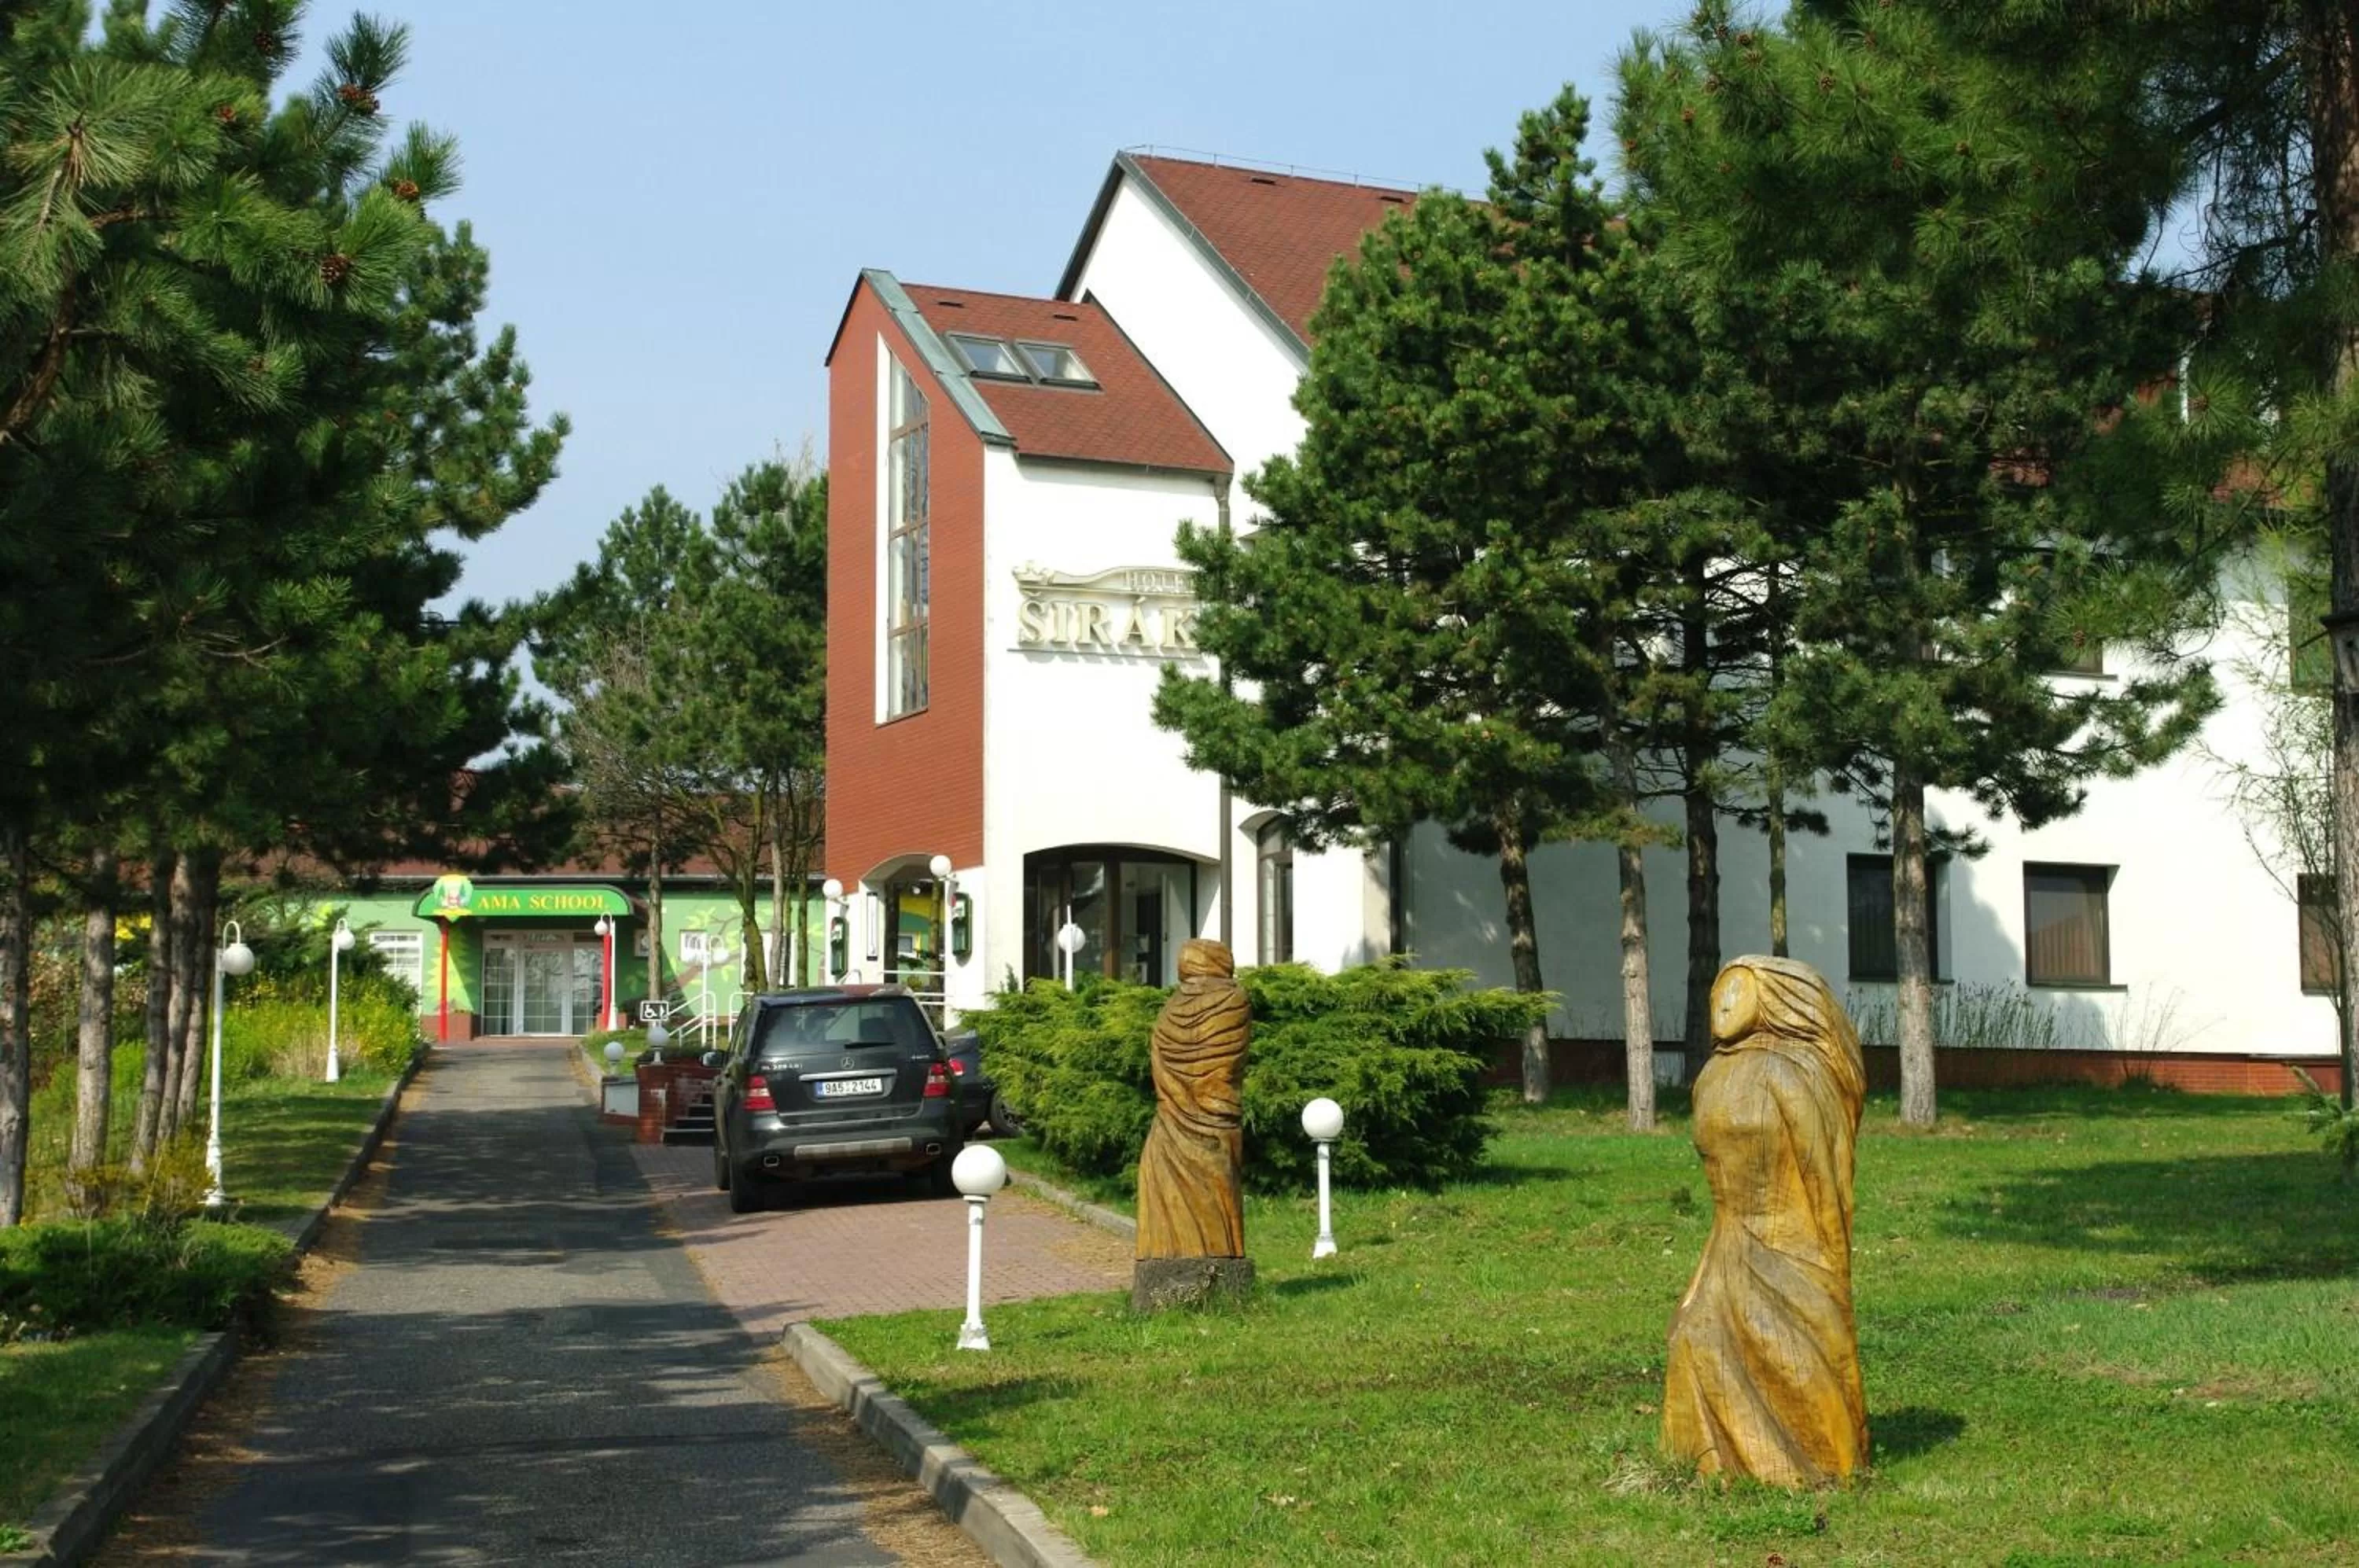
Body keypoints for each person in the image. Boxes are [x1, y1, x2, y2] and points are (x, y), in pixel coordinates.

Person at [1662, 955, 1870, 1487]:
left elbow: (1821, 1171)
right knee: (1691, 1334)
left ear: (1773, 1000)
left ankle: (1815, 1465)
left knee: (1791, 1357)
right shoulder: (1712, 1076)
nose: (1725, 1006)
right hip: (1728, 1240)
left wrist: (1829, 1252)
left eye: (1739, 992)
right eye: (1719, 994)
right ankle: (1709, 1459)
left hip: (1786, 1246)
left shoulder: (1787, 1071)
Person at [1135, 937, 1249, 1260]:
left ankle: (1172, 1261)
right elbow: (1230, 1064)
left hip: (1170, 1127)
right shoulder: (1234, 999)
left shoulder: (1170, 1008)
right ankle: (1220, 1263)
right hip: (1211, 1123)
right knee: (1215, 1199)